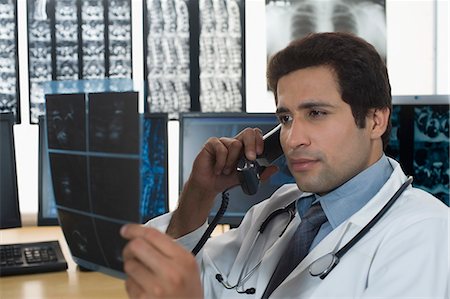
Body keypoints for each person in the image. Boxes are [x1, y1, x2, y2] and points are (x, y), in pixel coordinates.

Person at [120, 32, 449, 298]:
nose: (292, 139)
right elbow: (184, 281)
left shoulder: (425, 232)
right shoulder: (276, 211)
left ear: (376, 121)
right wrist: (198, 195)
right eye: (285, 118)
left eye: (316, 114)